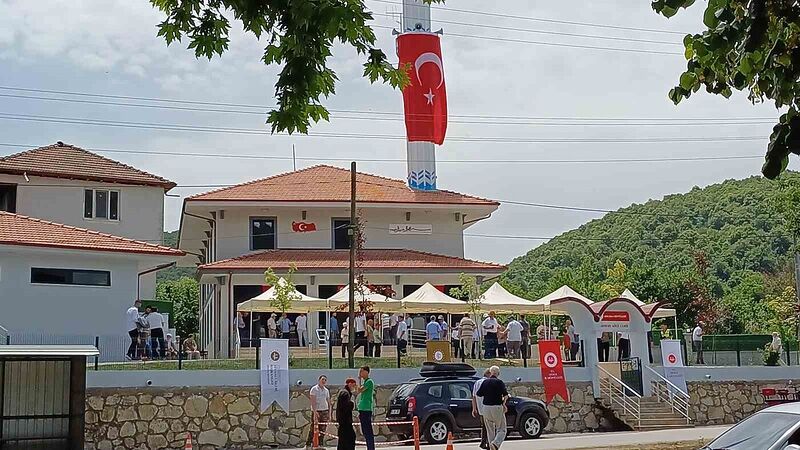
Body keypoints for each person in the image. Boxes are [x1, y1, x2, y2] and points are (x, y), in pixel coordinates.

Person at [476, 366, 509, 450]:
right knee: (502, 429)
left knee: (490, 429)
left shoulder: (485, 382)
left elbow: (479, 394)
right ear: (498, 373)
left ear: (490, 373)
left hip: (486, 407)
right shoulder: (499, 382)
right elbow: (505, 395)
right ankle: (495, 443)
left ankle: (491, 445)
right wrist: (504, 404)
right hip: (497, 407)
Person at [307, 375, 332, 449]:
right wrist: (315, 412)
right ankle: (308, 444)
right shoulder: (314, 389)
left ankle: (321, 444)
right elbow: (313, 401)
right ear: (319, 380)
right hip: (317, 410)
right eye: (322, 379)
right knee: (313, 428)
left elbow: (328, 402)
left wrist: (329, 414)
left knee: (323, 428)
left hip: (324, 410)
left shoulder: (326, 390)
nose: (323, 381)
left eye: (325, 380)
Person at [472, 368, 491, 449]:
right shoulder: (488, 382)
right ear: (489, 374)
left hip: (481, 408)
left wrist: (474, 408)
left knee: (484, 425)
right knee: (489, 426)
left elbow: (473, 396)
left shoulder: (477, 382)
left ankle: (483, 442)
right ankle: (488, 442)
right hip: (488, 406)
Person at [357, 366, 375, 450]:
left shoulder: (369, 382)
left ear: (367, 372)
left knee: (368, 431)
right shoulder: (365, 382)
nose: (360, 373)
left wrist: (359, 380)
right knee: (364, 430)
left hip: (366, 408)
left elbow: (360, 390)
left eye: (362, 371)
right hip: (362, 408)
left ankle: (371, 447)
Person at [336, 378, 357, 450]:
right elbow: (345, 407)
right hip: (345, 421)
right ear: (349, 384)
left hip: (344, 421)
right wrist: (351, 404)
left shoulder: (345, 392)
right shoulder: (345, 393)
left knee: (345, 439)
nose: (354, 388)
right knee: (349, 438)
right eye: (353, 385)